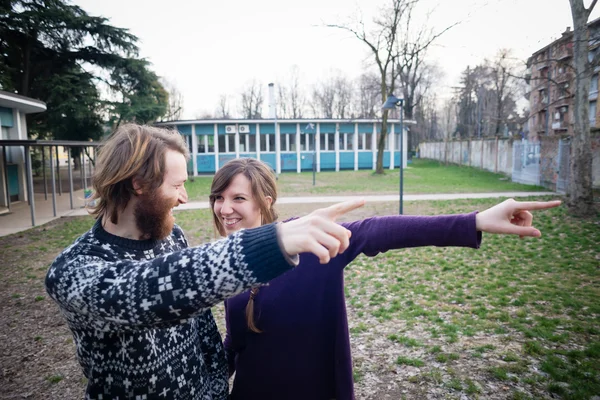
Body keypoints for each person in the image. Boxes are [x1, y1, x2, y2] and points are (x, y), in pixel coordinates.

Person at [44, 124, 365, 400]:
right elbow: (138, 294)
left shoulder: (172, 238)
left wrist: (215, 384)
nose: (185, 197)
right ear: (138, 184)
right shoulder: (72, 270)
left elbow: (200, 327)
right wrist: (273, 243)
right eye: (177, 185)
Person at [209, 158, 562, 400]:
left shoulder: (309, 241)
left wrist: (474, 221)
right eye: (218, 198)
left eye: (238, 197)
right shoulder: (224, 262)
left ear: (264, 201)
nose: (225, 209)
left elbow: (376, 230)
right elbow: (237, 344)